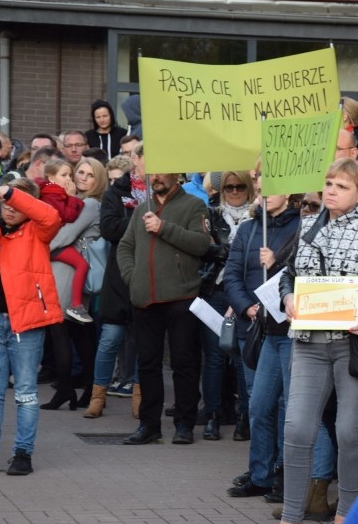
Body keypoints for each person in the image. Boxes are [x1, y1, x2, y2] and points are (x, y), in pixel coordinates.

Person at [278, 158, 358, 524]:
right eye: (329, 183)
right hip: (307, 342)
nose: (332, 190)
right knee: (297, 427)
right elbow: (288, 274)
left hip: (353, 345)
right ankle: (290, 515)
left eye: (342, 186)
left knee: (350, 432)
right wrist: (287, 297)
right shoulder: (306, 227)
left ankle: (348, 513)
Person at [0, 178, 63, 476]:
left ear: (27, 204)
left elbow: (51, 216)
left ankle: (23, 454)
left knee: (26, 393)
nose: (8, 207)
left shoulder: (38, 231)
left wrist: (10, 192)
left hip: (27, 325)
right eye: (4, 202)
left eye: (14, 202)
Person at [117, 172, 212, 445]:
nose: (155, 177)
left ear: (176, 175)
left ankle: (184, 424)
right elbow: (125, 247)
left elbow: (202, 244)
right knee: (147, 365)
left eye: (162, 171)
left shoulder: (193, 205)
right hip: (145, 299)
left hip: (181, 297)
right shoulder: (141, 209)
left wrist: (163, 228)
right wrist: (132, 277)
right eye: (152, 172)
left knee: (184, 364)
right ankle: (149, 425)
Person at [225, 187, 301, 499]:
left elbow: (302, 272)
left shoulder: (302, 225)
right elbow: (231, 275)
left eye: (272, 187)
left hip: (289, 328)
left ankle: (285, 475)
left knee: (288, 406)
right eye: (260, 187)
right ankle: (261, 474)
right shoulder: (249, 228)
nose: (264, 193)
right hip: (259, 327)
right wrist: (247, 307)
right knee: (258, 405)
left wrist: (278, 260)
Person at [39, 157, 107, 411]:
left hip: (69, 274)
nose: (81, 178)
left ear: (98, 180)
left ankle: (68, 388)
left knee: (61, 332)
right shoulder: (77, 201)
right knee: (78, 334)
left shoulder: (89, 204)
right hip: (64, 270)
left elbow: (64, 235)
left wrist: (36, 249)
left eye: (90, 175)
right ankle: (86, 387)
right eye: (80, 172)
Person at [87, 146, 146, 419]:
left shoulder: (163, 195)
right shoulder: (116, 192)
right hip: (118, 276)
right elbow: (109, 228)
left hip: (148, 276)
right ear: (136, 160)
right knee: (110, 338)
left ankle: (138, 396)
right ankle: (97, 395)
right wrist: (141, 221)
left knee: (142, 340)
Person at [200, 170, 256, 442]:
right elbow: (203, 248)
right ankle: (212, 416)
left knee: (243, 359)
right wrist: (231, 252)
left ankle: (244, 418)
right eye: (229, 187)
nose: (235, 191)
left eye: (240, 186)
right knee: (214, 357)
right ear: (222, 190)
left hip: (247, 294)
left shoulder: (259, 217)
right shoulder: (210, 214)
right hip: (217, 290)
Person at [36, 159, 93, 323]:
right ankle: (76, 304)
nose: (69, 178)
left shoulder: (51, 192)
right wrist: (73, 198)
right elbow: (68, 216)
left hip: (50, 242)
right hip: (52, 243)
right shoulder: (53, 195)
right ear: (51, 178)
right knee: (82, 264)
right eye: (64, 175)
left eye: (70, 174)